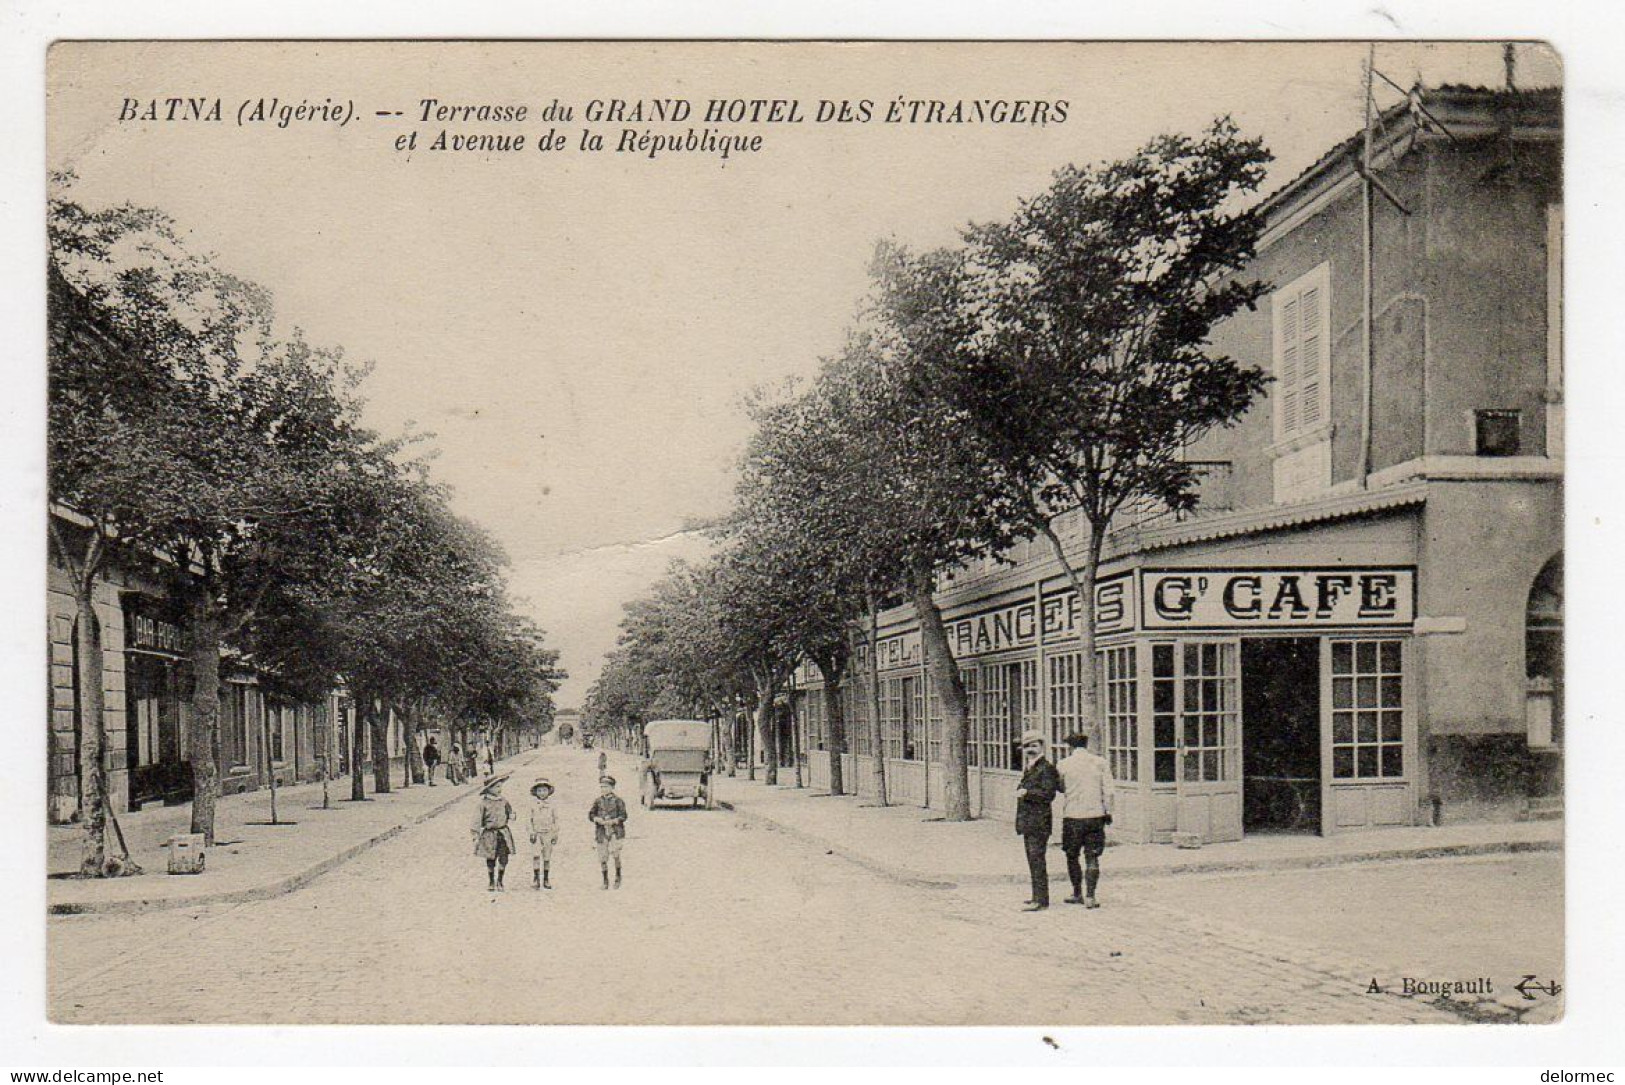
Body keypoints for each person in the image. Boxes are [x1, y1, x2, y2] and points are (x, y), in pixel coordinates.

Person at [1056, 732, 1114, 908]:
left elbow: (1060, 787)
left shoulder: (1063, 764)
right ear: (1086, 745)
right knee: (1092, 856)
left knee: (1072, 855)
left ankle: (1077, 893)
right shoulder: (1100, 763)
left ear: (1070, 746)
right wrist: (1108, 811)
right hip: (1095, 815)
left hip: (1073, 815)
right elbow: (1109, 791)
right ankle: (1090, 896)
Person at [1014, 729, 1061, 912]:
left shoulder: (1046, 768)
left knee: (1037, 859)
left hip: (1039, 821)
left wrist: (1027, 793)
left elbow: (1049, 794)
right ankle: (1037, 896)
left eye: (1034, 745)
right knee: (1032, 859)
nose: (1030, 749)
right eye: (1026, 746)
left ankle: (1041, 900)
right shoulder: (1030, 767)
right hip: (1029, 820)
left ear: (1042, 746)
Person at [470, 772, 516, 891]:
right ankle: (491, 881)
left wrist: (512, 815)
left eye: (500, 786)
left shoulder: (504, 801)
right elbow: (476, 820)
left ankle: (500, 881)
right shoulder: (483, 804)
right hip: (489, 834)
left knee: (504, 858)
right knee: (491, 858)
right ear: (489, 789)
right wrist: (475, 835)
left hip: (503, 833)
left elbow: (510, 812)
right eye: (496, 787)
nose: (499, 789)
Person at [588, 775, 629, 890]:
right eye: (602, 787)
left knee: (615, 854)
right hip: (601, 832)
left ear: (612, 788)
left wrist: (615, 821)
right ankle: (605, 880)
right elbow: (591, 814)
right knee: (603, 856)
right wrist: (597, 819)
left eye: (606, 787)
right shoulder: (598, 801)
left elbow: (624, 815)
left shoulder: (618, 801)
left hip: (615, 831)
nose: (603, 789)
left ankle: (617, 877)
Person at [527, 777, 560, 890]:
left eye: (544, 790)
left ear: (548, 792)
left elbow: (556, 819)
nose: (542, 793)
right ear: (535, 792)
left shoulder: (552, 805)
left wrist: (555, 833)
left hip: (548, 833)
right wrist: (531, 832)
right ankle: (536, 878)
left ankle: (546, 879)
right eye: (539, 790)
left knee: (547, 857)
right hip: (536, 834)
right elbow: (528, 820)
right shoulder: (532, 805)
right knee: (536, 856)